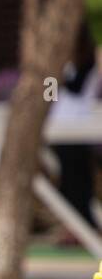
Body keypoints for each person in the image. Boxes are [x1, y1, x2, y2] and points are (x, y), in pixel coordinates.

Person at [52, 24, 102, 228]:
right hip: (58, 126)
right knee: (67, 176)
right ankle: (73, 224)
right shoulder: (62, 64)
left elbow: (76, 89)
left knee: (79, 175)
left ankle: (83, 221)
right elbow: (51, 94)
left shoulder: (87, 62)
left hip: (78, 125)